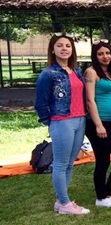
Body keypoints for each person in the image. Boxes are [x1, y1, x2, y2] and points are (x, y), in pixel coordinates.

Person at [35, 34, 90, 214]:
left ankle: (61, 201)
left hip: (79, 120)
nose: (64, 48)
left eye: (68, 45)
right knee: (60, 163)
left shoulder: (77, 71)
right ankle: (65, 203)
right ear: (53, 49)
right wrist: (50, 123)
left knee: (69, 163)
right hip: (62, 122)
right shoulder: (48, 74)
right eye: (60, 45)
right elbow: (40, 103)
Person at [84, 41, 111, 207]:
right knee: (103, 160)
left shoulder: (110, 72)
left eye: (108, 53)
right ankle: (100, 198)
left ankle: (107, 192)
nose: (105, 57)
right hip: (98, 122)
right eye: (101, 54)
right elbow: (90, 100)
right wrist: (98, 125)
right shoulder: (91, 72)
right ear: (95, 56)